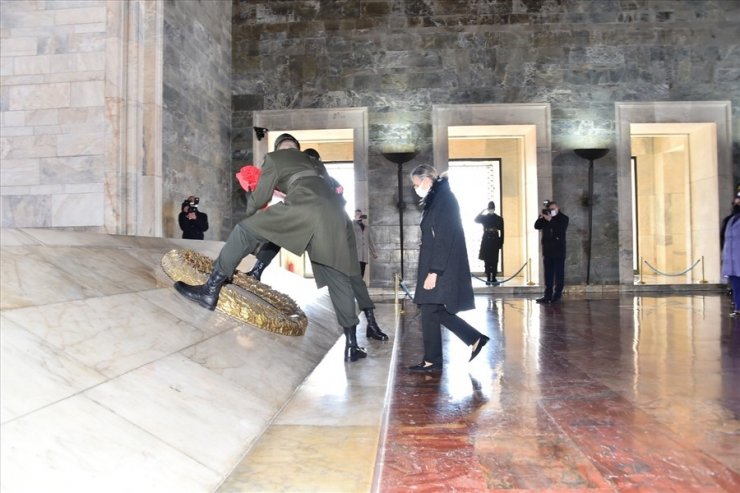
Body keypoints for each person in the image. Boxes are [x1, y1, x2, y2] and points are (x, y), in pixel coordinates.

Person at [174, 134, 369, 362]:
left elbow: (259, 200)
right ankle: (352, 345)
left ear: (278, 149)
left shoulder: (275, 158)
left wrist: (250, 206)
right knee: (337, 276)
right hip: (336, 217)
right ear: (298, 148)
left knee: (244, 231)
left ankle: (210, 290)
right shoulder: (314, 162)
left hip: (304, 208)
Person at [245, 148, 389, 341]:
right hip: (324, 228)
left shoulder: (322, 180)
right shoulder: (322, 179)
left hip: (328, 231)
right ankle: (370, 325)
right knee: (354, 279)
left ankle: (369, 324)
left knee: (353, 278)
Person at [407, 164, 489, 372]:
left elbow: (444, 237)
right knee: (432, 309)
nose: (415, 188)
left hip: (441, 266)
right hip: (437, 264)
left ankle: (435, 358)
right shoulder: (438, 199)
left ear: (426, 180)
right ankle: (471, 340)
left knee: (430, 307)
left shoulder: (445, 200)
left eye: (416, 184)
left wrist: (435, 272)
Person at [534, 200, 569, 304]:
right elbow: (537, 226)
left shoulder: (563, 218)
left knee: (559, 274)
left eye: (553, 209)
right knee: (548, 275)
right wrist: (541, 217)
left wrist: (550, 219)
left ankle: (557, 295)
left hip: (558, 251)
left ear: (558, 208)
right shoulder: (546, 218)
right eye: (550, 209)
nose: (552, 211)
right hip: (548, 251)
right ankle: (547, 295)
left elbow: (560, 229)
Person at [475, 201, 504, 285]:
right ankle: (488, 277)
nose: (491, 210)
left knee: (495, 260)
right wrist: (482, 211)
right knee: (487, 260)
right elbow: (476, 219)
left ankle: (494, 277)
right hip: (486, 239)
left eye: (492, 208)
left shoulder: (499, 218)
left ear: (494, 209)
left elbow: (502, 231)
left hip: (495, 240)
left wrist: (501, 243)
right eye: (490, 208)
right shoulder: (484, 217)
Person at [722, 198, 740, 317]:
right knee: (736, 285)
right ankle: (738, 308)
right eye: (735, 203)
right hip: (732, 260)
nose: (736, 205)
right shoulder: (730, 220)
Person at [353, 209, 377, 279]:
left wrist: (374, 252)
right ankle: (356, 287)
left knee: (362, 273)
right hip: (356, 254)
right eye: (357, 214)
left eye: (360, 214)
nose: (359, 215)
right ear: (355, 215)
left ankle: (359, 287)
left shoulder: (366, 227)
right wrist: (355, 220)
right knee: (356, 273)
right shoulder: (352, 225)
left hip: (364, 255)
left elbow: (370, 240)